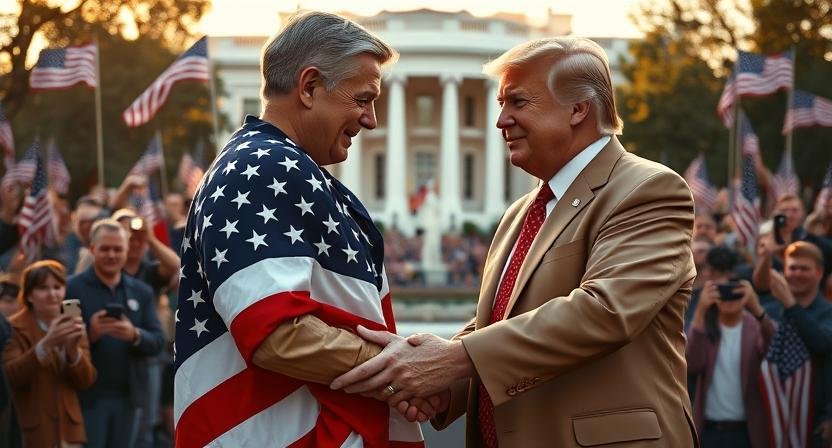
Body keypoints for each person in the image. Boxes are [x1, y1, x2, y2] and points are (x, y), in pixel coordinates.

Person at [332, 37, 698, 447]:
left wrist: (454, 359)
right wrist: (442, 388)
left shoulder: (648, 190)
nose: (501, 120)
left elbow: (605, 311)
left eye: (519, 103)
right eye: (500, 104)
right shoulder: (521, 212)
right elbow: (499, 323)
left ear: (579, 110)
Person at [173, 11, 425, 447]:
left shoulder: (285, 168)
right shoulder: (256, 168)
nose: (371, 120)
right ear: (309, 87)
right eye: (362, 99)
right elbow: (274, 331)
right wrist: (405, 371)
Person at [66, 219, 165, 448]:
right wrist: (90, 335)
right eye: (105, 249)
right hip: (87, 398)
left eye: (117, 249)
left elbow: (158, 342)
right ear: (92, 249)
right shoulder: (71, 288)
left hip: (129, 398)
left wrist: (134, 334)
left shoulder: (142, 291)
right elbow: (63, 347)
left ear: (127, 250)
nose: (111, 255)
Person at [2, 260, 96, 447]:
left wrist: (72, 352)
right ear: (29, 295)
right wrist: (46, 344)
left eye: (58, 287)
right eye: (43, 288)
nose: (52, 294)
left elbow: (86, 380)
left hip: (70, 433)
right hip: (31, 432)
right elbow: (10, 377)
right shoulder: (12, 328)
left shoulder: (73, 324)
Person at [756, 241, 832, 447]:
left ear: (819, 272)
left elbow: (822, 343)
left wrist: (791, 304)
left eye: (804, 268)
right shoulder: (769, 310)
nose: (796, 273)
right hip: (771, 420)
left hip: (815, 425)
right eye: (792, 268)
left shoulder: (828, 312)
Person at [686, 275, 774, 448]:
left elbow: (772, 346)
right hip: (708, 431)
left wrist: (756, 307)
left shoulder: (755, 327)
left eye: (734, 291)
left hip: (746, 432)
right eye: (722, 291)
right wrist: (701, 309)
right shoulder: (705, 327)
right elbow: (692, 363)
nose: (728, 297)